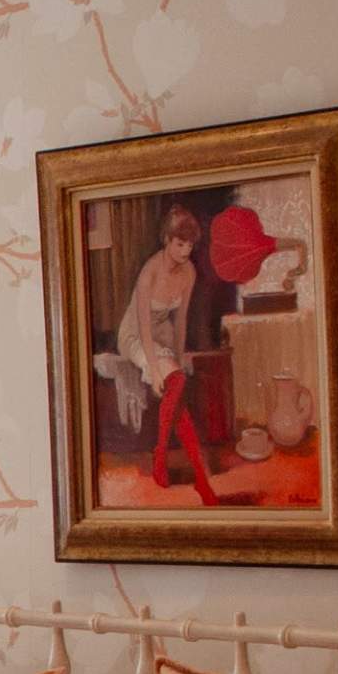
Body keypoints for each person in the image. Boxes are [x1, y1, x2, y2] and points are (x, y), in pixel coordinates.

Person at [112, 202, 215, 500]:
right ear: (167, 241)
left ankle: (187, 470)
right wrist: (155, 368)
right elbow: (143, 324)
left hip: (163, 334)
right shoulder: (150, 272)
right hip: (135, 334)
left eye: (190, 245)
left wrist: (178, 359)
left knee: (178, 386)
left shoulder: (189, 273)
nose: (185, 251)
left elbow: (180, 321)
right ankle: (192, 473)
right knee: (175, 384)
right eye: (180, 243)